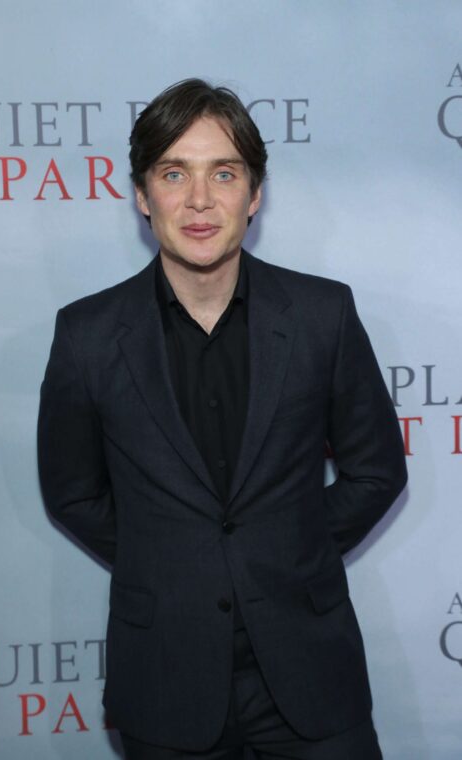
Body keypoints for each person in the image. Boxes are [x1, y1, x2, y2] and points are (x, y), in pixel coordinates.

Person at [37, 78, 407, 759]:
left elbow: (376, 471)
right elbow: (72, 492)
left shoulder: (322, 316)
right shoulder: (87, 334)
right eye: (174, 173)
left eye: (224, 173)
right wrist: (176, 558)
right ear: (143, 196)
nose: (200, 200)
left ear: (254, 194)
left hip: (311, 675)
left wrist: (284, 547)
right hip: (165, 678)